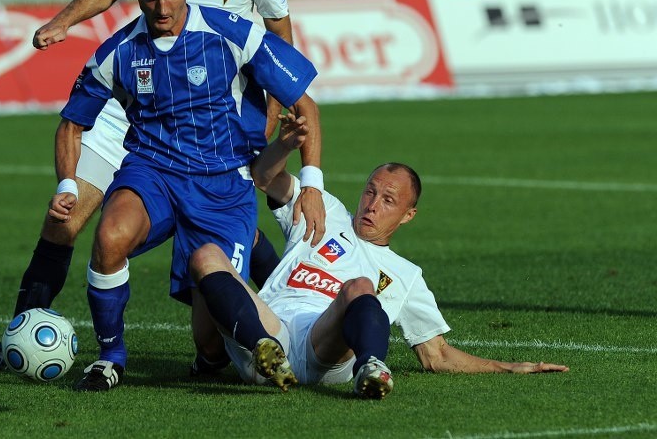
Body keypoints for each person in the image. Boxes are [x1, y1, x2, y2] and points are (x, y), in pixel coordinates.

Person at [0, 0, 320, 373]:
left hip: (214, 123)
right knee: (65, 221)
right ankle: (20, 335)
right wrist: (62, 22)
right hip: (134, 112)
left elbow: (278, 37)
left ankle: (287, 312)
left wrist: (270, 115)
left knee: (221, 240)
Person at [56, 0, 321, 391]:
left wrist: (312, 183)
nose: (162, 9)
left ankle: (220, 342)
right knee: (109, 235)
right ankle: (110, 358)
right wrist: (66, 184)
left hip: (223, 183)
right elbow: (70, 126)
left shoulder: (233, 33)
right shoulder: (117, 52)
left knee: (212, 343)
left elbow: (306, 105)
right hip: (151, 172)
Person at [190, 114, 569, 399]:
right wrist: (285, 146)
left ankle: (370, 367)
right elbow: (263, 176)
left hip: (323, 349)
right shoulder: (324, 209)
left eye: (388, 201)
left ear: (408, 216)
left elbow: (436, 355)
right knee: (206, 253)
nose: (372, 205)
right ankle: (264, 350)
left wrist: (506, 367)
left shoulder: (406, 275)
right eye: (370, 192)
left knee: (359, 286)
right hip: (270, 325)